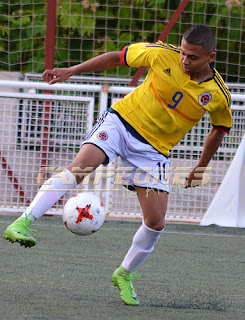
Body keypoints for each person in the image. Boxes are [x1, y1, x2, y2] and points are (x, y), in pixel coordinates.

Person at [3, 24, 232, 306]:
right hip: (121, 123)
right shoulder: (162, 54)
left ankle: (124, 274)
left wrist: (201, 166)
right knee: (81, 167)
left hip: (153, 151)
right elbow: (116, 57)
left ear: (211, 57)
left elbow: (218, 129)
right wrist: (70, 71)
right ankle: (23, 221)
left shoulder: (218, 94)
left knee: (156, 222)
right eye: (183, 53)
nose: (185, 61)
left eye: (193, 57)